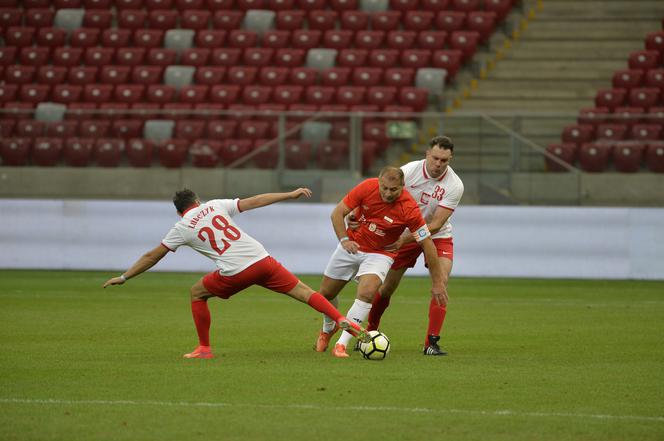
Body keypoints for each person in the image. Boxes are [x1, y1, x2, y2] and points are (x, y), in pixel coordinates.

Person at [103, 188, 368, 359]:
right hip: (262, 259)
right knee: (305, 292)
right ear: (197, 201)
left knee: (197, 292)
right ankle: (342, 319)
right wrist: (289, 194)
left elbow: (153, 255)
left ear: (179, 210)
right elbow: (254, 201)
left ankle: (204, 348)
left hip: (236, 271)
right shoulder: (215, 205)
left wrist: (125, 276)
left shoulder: (181, 227)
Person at [314, 166, 447, 358]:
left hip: (381, 253)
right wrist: (344, 240)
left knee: (367, 293)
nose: (388, 193)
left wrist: (437, 283)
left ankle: (341, 344)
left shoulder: (409, 208)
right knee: (326, 294)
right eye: (384, 188)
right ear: (378, 182)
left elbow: (428, 245)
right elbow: (337, 213)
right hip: (352, 245)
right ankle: (327, 329)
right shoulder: (367, 187)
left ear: (403, 186)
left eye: (394, 189)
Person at [366, 135, 464, 355]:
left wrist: (406, 239)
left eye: (445, 161)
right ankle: (371, 331)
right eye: (436, 158)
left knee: (442, 282)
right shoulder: (408, 172)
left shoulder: (455, 185)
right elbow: (383, 194)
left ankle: (431, 343)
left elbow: (437, 224)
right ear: (427, 154)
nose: (439, 164)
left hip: (436, 236)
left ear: (450, 159)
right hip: (405, 233)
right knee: (387, 287)